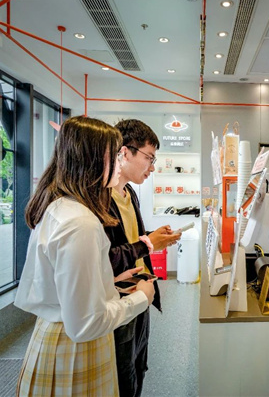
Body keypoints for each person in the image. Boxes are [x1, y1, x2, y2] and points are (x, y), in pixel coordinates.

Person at [15, 116, 155, 396]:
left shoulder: (62, 208)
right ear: (93, 160)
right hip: (73, 349)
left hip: (59, 336)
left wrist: (105, 280)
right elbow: (86, 324)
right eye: (115, 155)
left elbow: (66, 285)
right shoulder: (80, 223)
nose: (120, 163)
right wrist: (142, 297)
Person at [105, 119, 182, 397]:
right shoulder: (100, 199)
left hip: (141, 295)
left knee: (139, 366)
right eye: (149, 158)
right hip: (119, 301)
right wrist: (148, 244)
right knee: (122, 375)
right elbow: (105, 259)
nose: (152, 167)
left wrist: (153, 237)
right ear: (125, 152)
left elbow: (130, 239)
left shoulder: (130, 194)